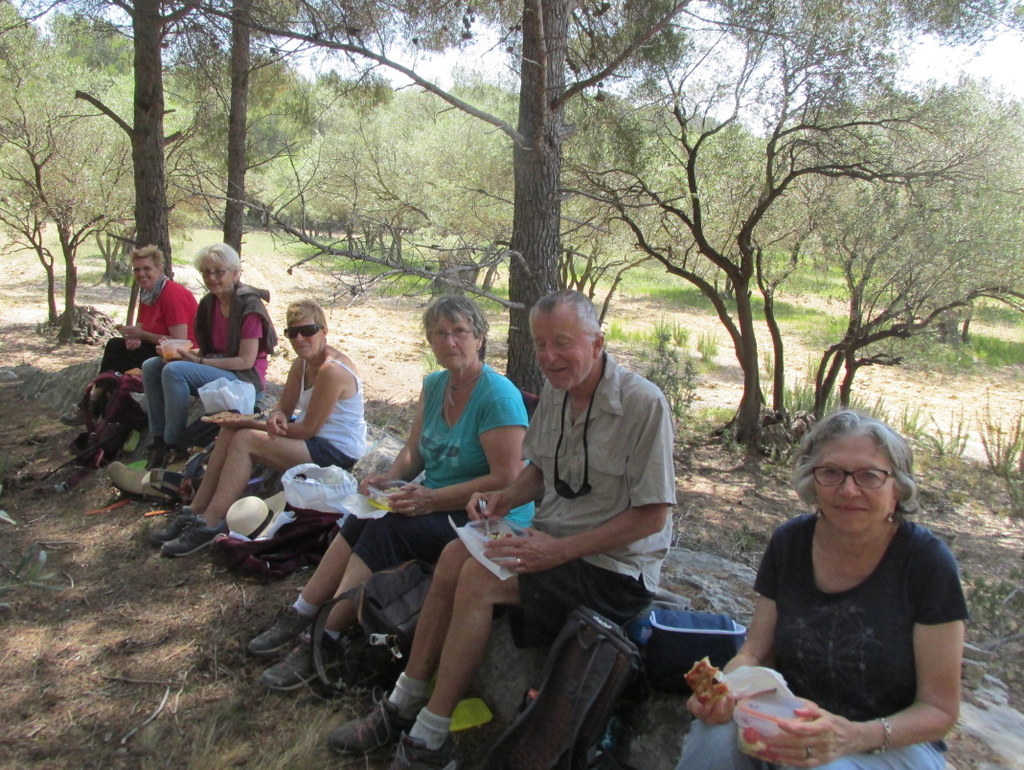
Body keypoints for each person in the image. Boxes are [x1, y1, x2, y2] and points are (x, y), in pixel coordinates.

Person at [326, 289, 677, 767]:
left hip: (611, 569)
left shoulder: (642, 403)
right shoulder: (558, 392)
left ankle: (430, 735)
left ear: (597, 342)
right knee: (454, 555)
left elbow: (653, 516)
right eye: (540, 345)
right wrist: (503, 499)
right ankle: (402, 703)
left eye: (563, 343)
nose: (549, 357)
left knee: (478, 577)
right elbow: (539, 472)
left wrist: (559, 551)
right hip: (551, 542)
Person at [248, 295, 533, 691]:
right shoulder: (435, 385)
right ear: (430, 343)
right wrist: (389, 478)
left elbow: (506, 479)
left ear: (480, 337)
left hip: (487, 517)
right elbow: (414, 452)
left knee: (389, 527)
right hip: (434, 501)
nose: (450, 342)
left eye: (460, 332)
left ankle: (325, 637)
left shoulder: (497, 396)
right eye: (439, 334)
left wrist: (429, 499)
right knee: (366, 509)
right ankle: (304, 609)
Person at [675, 409, 967, 770]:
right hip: (792, 720)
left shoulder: (926, 562)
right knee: (713, 738)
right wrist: (726, 691)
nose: (848, 489)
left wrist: (853, 736)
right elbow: (755, 652)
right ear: (811, 482)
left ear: (897, 488)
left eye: (869, 476)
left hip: (889, 741)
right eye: (831, 473)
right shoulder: (791, 543)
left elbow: (939, 710)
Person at [154, 299, 367, 557]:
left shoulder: (331, 371)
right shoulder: (301, 364)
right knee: (231, 429)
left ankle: (212, 522)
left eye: (308, 331)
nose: (300, 338)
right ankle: (195, 511)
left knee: (245, 437)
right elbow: (284, 407)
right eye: (292, 333)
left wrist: (248, 421)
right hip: (310, 439)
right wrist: (276, 415)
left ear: (323, 331)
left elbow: (308, 429)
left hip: (335, 449)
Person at [141, 243, 276, 469]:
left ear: (235, 273)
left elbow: (245, 361)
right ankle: (157, 439)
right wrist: (181, 353)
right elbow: (205, 351)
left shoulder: (249, 306)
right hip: (217, 370)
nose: (211, 278)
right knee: (152, 366)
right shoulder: (209, 303)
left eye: (218, 271)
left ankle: (173, 443)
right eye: (206, 272)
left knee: (174, 371)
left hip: (244, 380)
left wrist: (200, 362)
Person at [98, 245, 199, 374]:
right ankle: (102, 387)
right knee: (116, 346)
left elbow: (179, 341)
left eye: (147, 269)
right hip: (158, 349)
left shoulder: (172, 294)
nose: (141, 274)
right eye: (137, 270)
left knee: (116, 351)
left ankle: (101, 389)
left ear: (160, 269)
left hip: (185, 354)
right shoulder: (148, 294)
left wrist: (140, 335)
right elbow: (140, 331)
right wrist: (133, 338)